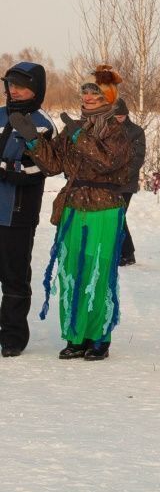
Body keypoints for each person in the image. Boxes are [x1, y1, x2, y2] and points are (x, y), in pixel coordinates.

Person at [13, 65, 131, 361]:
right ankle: (75, 336)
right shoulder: (72, 128)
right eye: (85, 91)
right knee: (70, 271)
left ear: (108, 97)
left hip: (105, 209)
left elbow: (107, 162)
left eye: (95, 92)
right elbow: (53, 165)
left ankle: (99, 338)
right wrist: (34, 141)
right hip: (73, 207)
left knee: (98, 272)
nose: (88, 97)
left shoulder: (119, 131)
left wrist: (82, 138)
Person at [0, 62, 53, 357]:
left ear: (36, 89)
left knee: (14, 277)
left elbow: (42, 167)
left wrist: (7, 168)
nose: (14, 90)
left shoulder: (42, 123)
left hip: (17, 213)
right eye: (10, 84)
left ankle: (13, 336)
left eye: (21, 85)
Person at [113, 98, 146, 267]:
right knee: (115, 217)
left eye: (121, 116)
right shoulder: (107, 130)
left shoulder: (136, 131)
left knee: (118, 216)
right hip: (109, 182)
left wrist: (123, 175)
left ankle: (127, 253)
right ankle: (124, 252)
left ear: (126, 115)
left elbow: (138, 157)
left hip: (126, 183)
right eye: (116, 116)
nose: (119, 119)